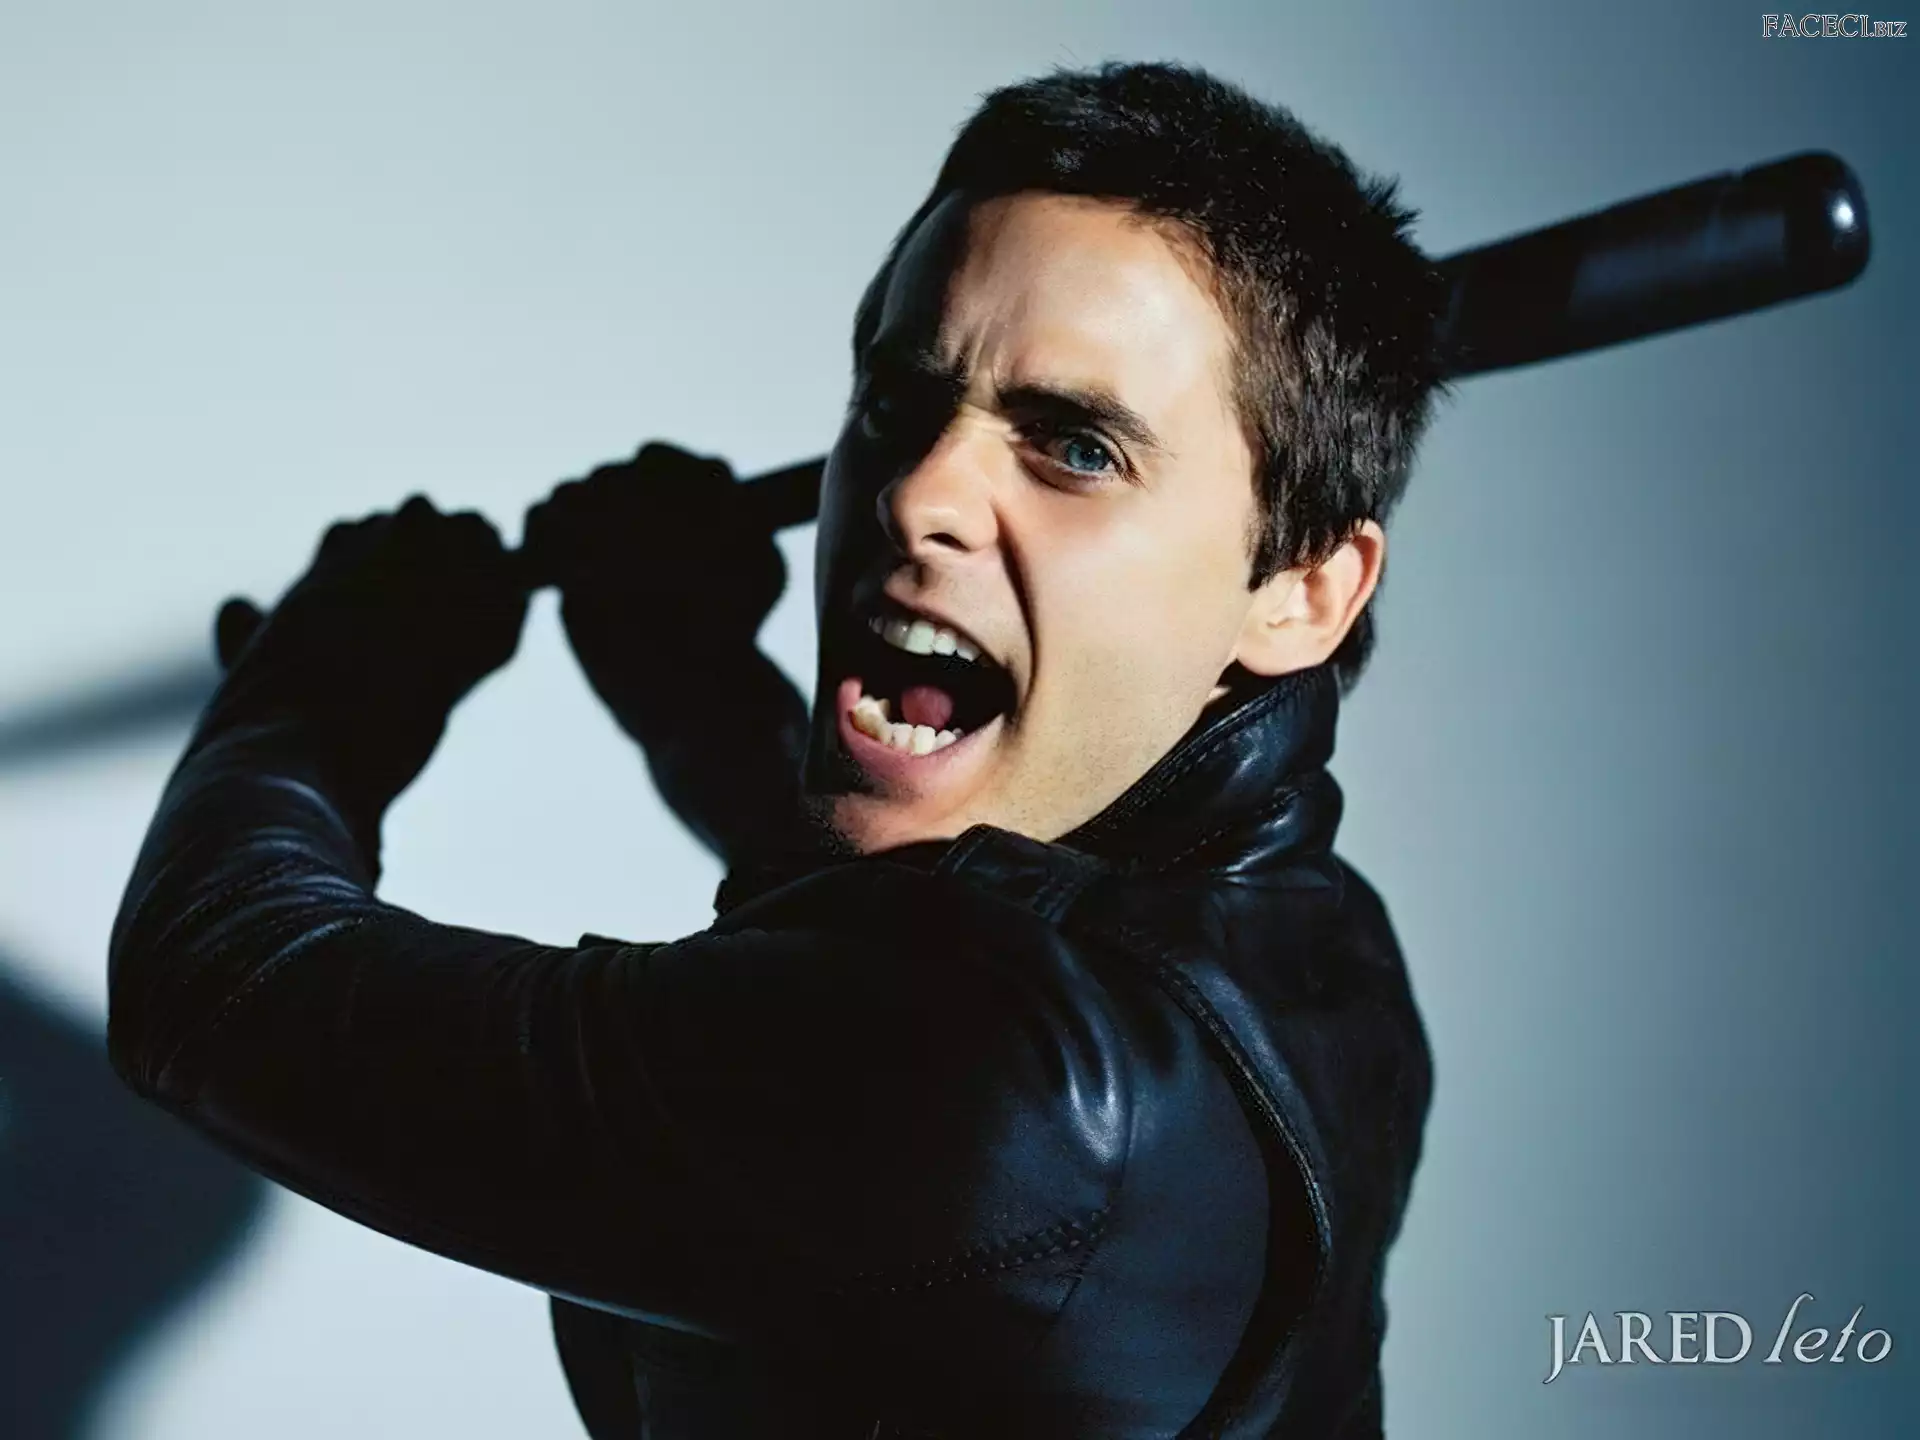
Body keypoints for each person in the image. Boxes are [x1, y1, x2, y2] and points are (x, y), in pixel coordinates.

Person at [108, 61, 1444, 1439]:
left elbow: (216, 992)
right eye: (900, 405)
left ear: (1304, 592)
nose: (918, 493)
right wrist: (687, 677)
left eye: (1077, 449)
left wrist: (322, 692)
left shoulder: (1006, 1091)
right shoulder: (1320, 949)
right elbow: (952, 933)